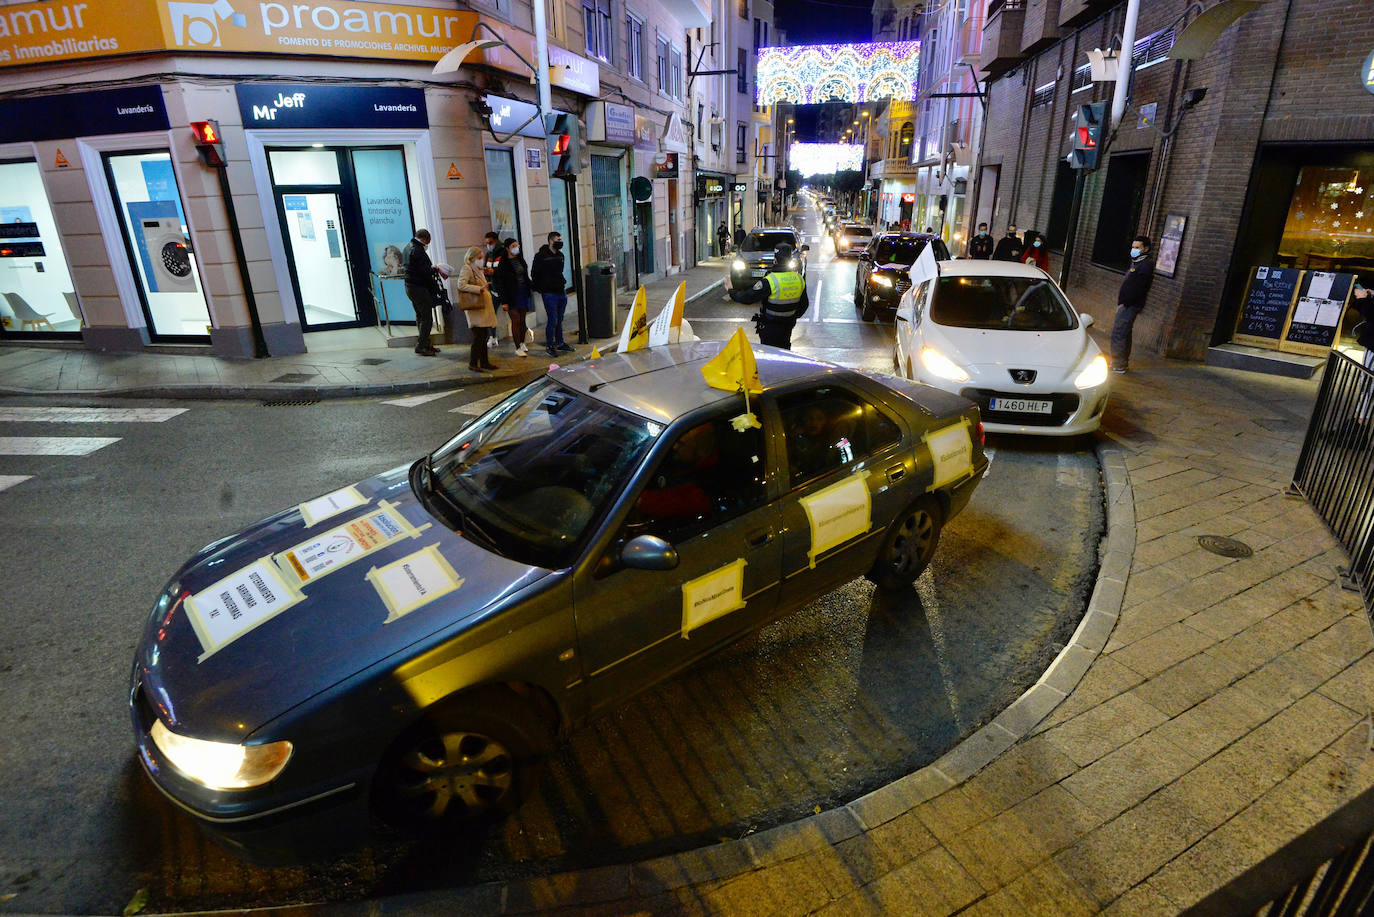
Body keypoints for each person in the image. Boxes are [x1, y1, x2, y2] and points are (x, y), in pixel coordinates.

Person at [637, 421, 719, 524]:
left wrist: (640, 501)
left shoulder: (708, 480)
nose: (674, 447)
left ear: (702, 449)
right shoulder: (677, 460)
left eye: (681, 444)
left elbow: (685, 503)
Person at [741, 242, 809, 350]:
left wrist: (731, 290)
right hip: (788, 326)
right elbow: (804, 305)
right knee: (784, 351)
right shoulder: (799, 279)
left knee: (769, 354)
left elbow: (748, 298)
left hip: (770, 327)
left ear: (775, 259)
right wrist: (791, 318)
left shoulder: (770, 280)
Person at [1110, 235, 1156, 374]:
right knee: (1124, 333)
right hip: (1126, 303)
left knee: (1119, 332)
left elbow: (1139, 287)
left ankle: (1118, 364)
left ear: (1145, 249)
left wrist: (1127, 302)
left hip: (1130, 305)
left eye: (1137, 248)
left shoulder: (1145, 265)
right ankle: (1121, 362)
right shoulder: (1136, 262)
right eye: (1133, 247)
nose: (1134, 250)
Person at [456, 246, 498, 372]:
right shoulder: (467, 268)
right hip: (475, 309)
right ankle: (473, 363)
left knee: (483, 336)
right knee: (478, 337)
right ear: (472, 258)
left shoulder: (478, 269)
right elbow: (461, 285)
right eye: (479, 257)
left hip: (482, 309)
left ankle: (484, 362)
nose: (481, 260)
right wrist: (478, 289)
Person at [531, 231, 572, 357]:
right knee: (552, 320)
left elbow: (559, 272)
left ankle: (560, 342)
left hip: (560, 291)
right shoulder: (541, 256)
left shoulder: (560, 255)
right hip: (549, 293)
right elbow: (534, 274)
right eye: (557, 240)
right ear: (550, 241)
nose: (560, 242)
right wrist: (542, 288)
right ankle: (549, 345)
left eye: (561, 239)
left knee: (560, 319)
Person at [402, 229, 440, 355]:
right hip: (419, 288)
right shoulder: (417, 251)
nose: (429, 243)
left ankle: (426, 343)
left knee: (420, 316)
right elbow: (425, 272)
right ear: (425, 238)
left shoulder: (408, 247)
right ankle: (421, 346)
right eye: (429, 241)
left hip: (410, 287)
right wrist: (434, 270)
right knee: (427, 318)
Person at [494, 237, 533, 357]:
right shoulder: (503, 264)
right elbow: (500, 284)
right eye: (513, 246)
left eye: (517, 246)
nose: (516, 248)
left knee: (522, 320)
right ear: (507, 249)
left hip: (523, 292)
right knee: (515, 320)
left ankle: (522, 343)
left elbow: (525, 276)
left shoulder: (520, 260)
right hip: (511, 296)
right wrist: (504, 301)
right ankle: (517, 347)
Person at [482, 232, 507, 348]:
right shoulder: (488, 254)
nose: (488, 245)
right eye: (487, 243)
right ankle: (492, 337)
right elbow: (486, 268)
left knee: (514, 314)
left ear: (496, 241)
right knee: (491, 315)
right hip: (493, 290)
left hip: (504, 290)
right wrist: (486, 275)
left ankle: (522, 337)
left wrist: (494, 272)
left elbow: (507, 271)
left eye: (490, 243)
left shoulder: (503, 253)